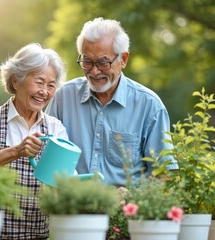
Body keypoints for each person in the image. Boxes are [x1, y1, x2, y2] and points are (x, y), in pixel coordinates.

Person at [45, 17, 178, 187]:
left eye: (102, 62)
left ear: (123, 59)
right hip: (71, 207)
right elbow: (46, 156)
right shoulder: (64, 97)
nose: (94, 71)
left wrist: (131, 198)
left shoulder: (149, 106)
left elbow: (163, 174)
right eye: (87, 61)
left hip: (125, 212)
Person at [0, 43, 68, 240]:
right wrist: (16, 151)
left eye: (51, 85)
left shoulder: (55, 128)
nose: (44, 91)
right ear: (16, 81)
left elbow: (66, 178)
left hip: (39, 236)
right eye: (39, 82)